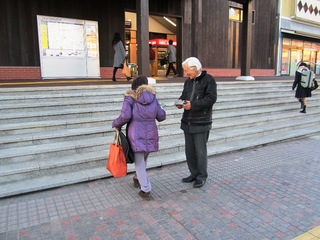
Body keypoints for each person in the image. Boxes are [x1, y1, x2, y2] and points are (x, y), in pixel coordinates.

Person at [112, 76, 166, 200]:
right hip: (151, 133)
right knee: (143, 159)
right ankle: (137, 178)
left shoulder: (130, 98)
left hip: (136, 133)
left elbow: (125, 116)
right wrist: (161, 108)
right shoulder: (153, 98)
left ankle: (145, 190)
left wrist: (116, 123)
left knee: (139, 163)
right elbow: (161, 116)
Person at [176, 57, 217, 188]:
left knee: (200, 152)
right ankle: (193, 173)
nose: (186, 74)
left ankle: (201, 176)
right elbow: (184, 95)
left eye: (187, 71)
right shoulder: (188, 82)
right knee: (189, 151)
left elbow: (211, 99)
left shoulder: (208, 80)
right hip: (187, 121)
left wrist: (192, 105)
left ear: (195, 68)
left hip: (201, 122)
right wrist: (181, 102)